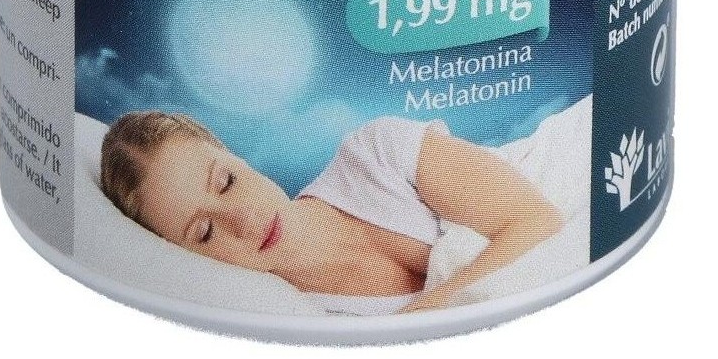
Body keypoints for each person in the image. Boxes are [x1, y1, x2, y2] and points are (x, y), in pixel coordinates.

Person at [100, 110, 563, 313]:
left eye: (226, 181)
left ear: (234, 155)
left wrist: (420, 315)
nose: (243, 220)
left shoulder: (377, 154)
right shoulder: (302, 320)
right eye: (204, 231)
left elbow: (539, 221)